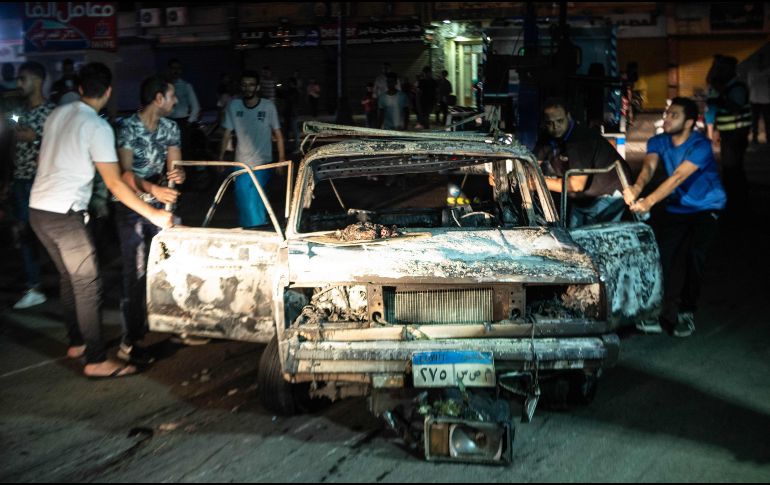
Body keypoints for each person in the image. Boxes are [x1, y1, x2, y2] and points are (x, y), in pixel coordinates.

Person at [28, 62, 174, 378]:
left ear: (80, 89)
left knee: (70, 278)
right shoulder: (97, 126)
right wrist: (154, 214)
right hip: (64, 214)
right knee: (88, 284)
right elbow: (115, 183)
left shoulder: (56, 114)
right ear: (107, 93)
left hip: (38, 209)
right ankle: (95, 360)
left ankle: (77, 342)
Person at [624, 97, 726, 337]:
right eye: (667, 114)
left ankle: (686, 313)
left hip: (707, 206)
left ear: (690, 122)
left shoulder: (700, 145)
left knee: (694, 258)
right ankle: (658, 313)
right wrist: (637, 189)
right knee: (663, 258)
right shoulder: (658, 141)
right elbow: (648, 168)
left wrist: (648, 201)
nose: (666, 119)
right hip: (678, 207)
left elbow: (677, 177)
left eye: (674, 115)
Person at [115, 75, 186, 364]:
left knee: (178, 263)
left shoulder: (171, 127)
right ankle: (129, 340)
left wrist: (178, 176)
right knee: (136, 273)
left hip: (160, 205)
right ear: (158, 99)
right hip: (131, 206)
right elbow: (125, 174)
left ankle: (180, 325)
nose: (176, 101)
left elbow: (176, 167)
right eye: (172, 96)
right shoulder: (127, 128)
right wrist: (153, 188)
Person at [535, 98, 631, 227]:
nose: (555, 127)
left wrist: (535, 182)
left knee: (596, 240)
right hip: (582, 198)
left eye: (559, 121)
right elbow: (533, 163)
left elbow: (576, 185)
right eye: (549, 123)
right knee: (572, 239)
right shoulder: (547, 136)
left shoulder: (580, 139)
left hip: (608, 194)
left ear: (568, 116)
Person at [10, 62, 56, 309]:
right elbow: (15, 138)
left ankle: (68, 279)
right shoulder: (22, 111)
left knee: (49, 233)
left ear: (37, 81)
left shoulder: (51, 112)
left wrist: (36, 137)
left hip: (43, 182)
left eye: (23, 79)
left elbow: (59, 145)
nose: (19, 84)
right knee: (25, 234)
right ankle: (34, 285)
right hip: (21, 180)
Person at [220, 70, 286, 228]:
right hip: (241, 164)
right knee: (244, 198)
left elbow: (278, 133)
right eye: (244, 85)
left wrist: (282, 158)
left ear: (257, 87)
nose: (247, 88)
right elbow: (227, 134)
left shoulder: (268, 106)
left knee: (254, 198)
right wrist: (221, 157)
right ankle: (256, 230)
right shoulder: (234, 106)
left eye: (251, 85)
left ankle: (257, 230)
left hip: (263, 163)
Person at [705, 55, 751, 221]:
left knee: (733, 170)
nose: (719, 72)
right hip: (729, 134)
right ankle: (737, 204)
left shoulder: (737, 88)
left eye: (722, 68)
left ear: (730, 71)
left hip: (736, 135)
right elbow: (710, 81)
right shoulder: (725, 87)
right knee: (732, 170)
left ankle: (737, 206)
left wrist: (720, 98)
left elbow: (735, 108)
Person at [167, 59, 200, 159]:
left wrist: (189, 122)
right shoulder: (165, 86)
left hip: (182, 122)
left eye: (178, 68)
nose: (176, 71)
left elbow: (196, 106)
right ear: (169, 70)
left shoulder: (186, 86)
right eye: (173, 68)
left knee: (184, 150)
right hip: (168, 121)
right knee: (168, 150)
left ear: (181, 70)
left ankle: (186, 173)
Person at [747, 53, 770, 145]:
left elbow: (750, 85)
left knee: (766, 121)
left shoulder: (767, 71)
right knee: (755, 121)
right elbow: (750, 85)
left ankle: (764, 138)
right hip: (756, 99)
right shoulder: (752, 72)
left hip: (765, 99)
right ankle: (755, 138)